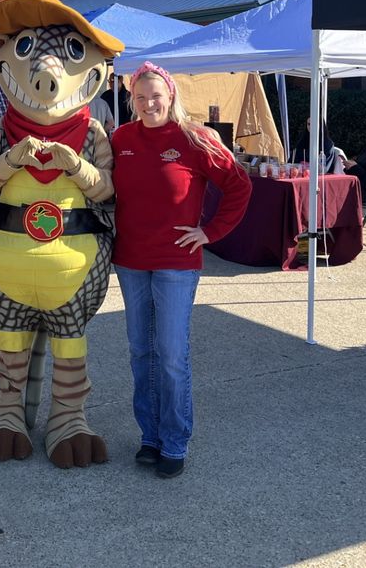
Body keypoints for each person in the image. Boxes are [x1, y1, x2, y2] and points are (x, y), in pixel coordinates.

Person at [111, 62, 252, 479]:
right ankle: (150, 437)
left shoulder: (196, 137)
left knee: (171, 355)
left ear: (170, 95)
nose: (149, 103)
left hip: (176, 261)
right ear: (132, 101)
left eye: (156, 95)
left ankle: (174, 440)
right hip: (131, 260)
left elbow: (239, 186)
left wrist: (210, 232)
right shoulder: (122, 138)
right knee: (142, 352)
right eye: (140, 97)